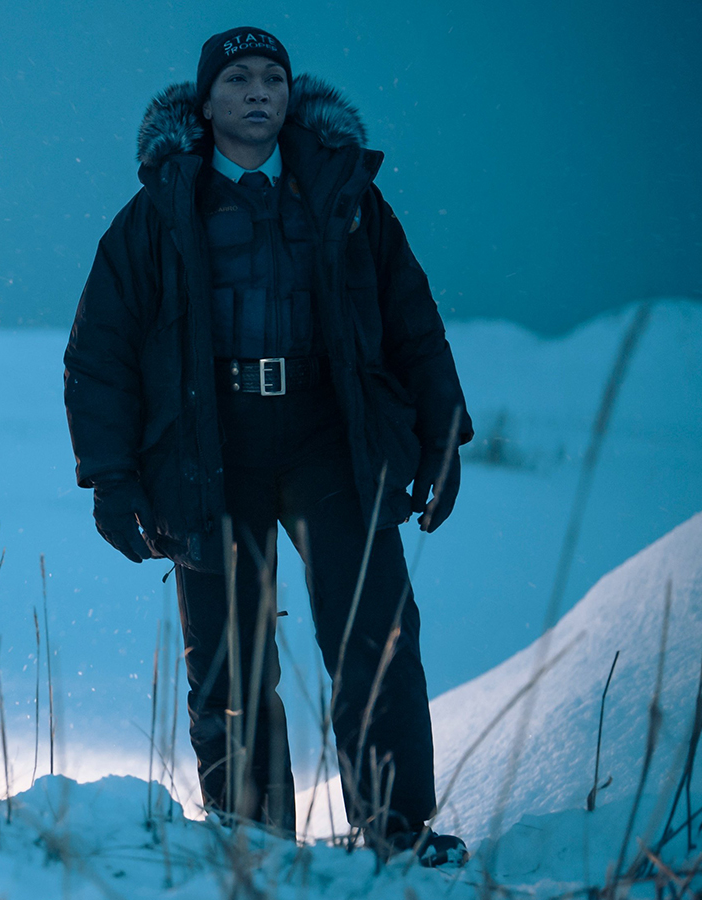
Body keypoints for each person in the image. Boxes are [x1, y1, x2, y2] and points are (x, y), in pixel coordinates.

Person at [63, 27, 471, 867]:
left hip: (331, 435)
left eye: (273, 78)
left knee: (375, 631)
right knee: (228, 653)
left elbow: (411, 318)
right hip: (214, 445)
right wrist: (111, 477)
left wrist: (442, 434)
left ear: (291, 95)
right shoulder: (159, 211)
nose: (258, 92)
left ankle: (398, 831)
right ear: (205, 101)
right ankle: (258, 843)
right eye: (239, 78)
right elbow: (100, 350)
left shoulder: (345, 194)